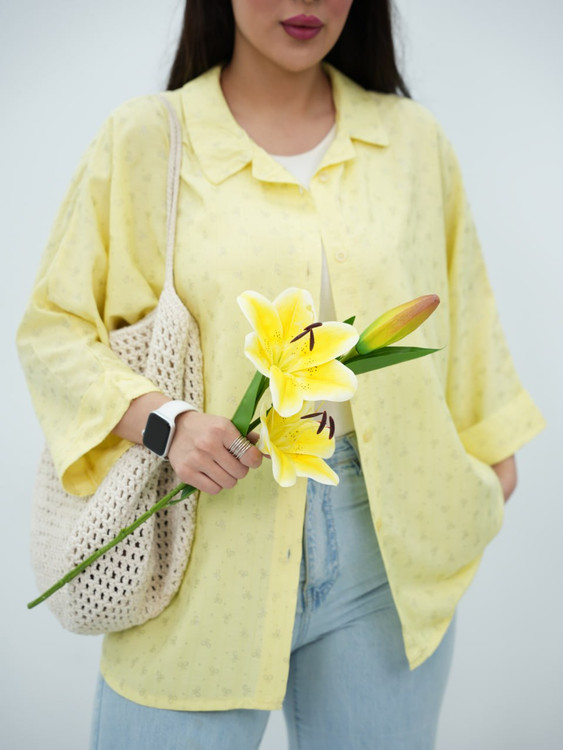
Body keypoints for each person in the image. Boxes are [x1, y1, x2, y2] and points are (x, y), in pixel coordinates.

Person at [17, 1, 546, 748]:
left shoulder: (411, 140)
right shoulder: (147, 138)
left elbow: (465, 316)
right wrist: (167, 424)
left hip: (384, 558)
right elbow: (55, 328)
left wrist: (488, 472)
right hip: (198, 543)